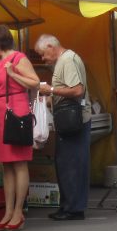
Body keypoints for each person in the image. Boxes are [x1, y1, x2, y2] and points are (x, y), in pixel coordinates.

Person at [0, 24, 39, 231]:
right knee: (7, 164)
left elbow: (34, 83)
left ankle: (18, 211)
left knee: (19, 162)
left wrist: (13, 74)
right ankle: (8, 211)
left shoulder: (18, 58)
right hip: (1, 109)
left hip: (16, 109)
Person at [36, 34, 90, 221]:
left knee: (71, 164)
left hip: (74, 121)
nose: (43, 58)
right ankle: (69, 205)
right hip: (70, 119)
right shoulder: (66, 60)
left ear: (51, 46)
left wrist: (50, 90)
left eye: (43, 54)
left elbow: (77, 90)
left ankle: (73, 208)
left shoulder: (67, 61)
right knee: (66, 163)